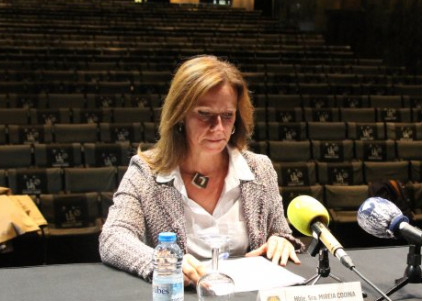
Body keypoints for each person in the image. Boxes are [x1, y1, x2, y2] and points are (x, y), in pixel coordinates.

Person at [100, 55, 303, 285]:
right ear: (180, 115)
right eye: (204, 114)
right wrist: (162, 262)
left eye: (228, 116)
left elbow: (279, 232)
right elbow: (113, 237)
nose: (218, 128)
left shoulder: (260, 169)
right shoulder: (146, 172)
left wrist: (280, 241)